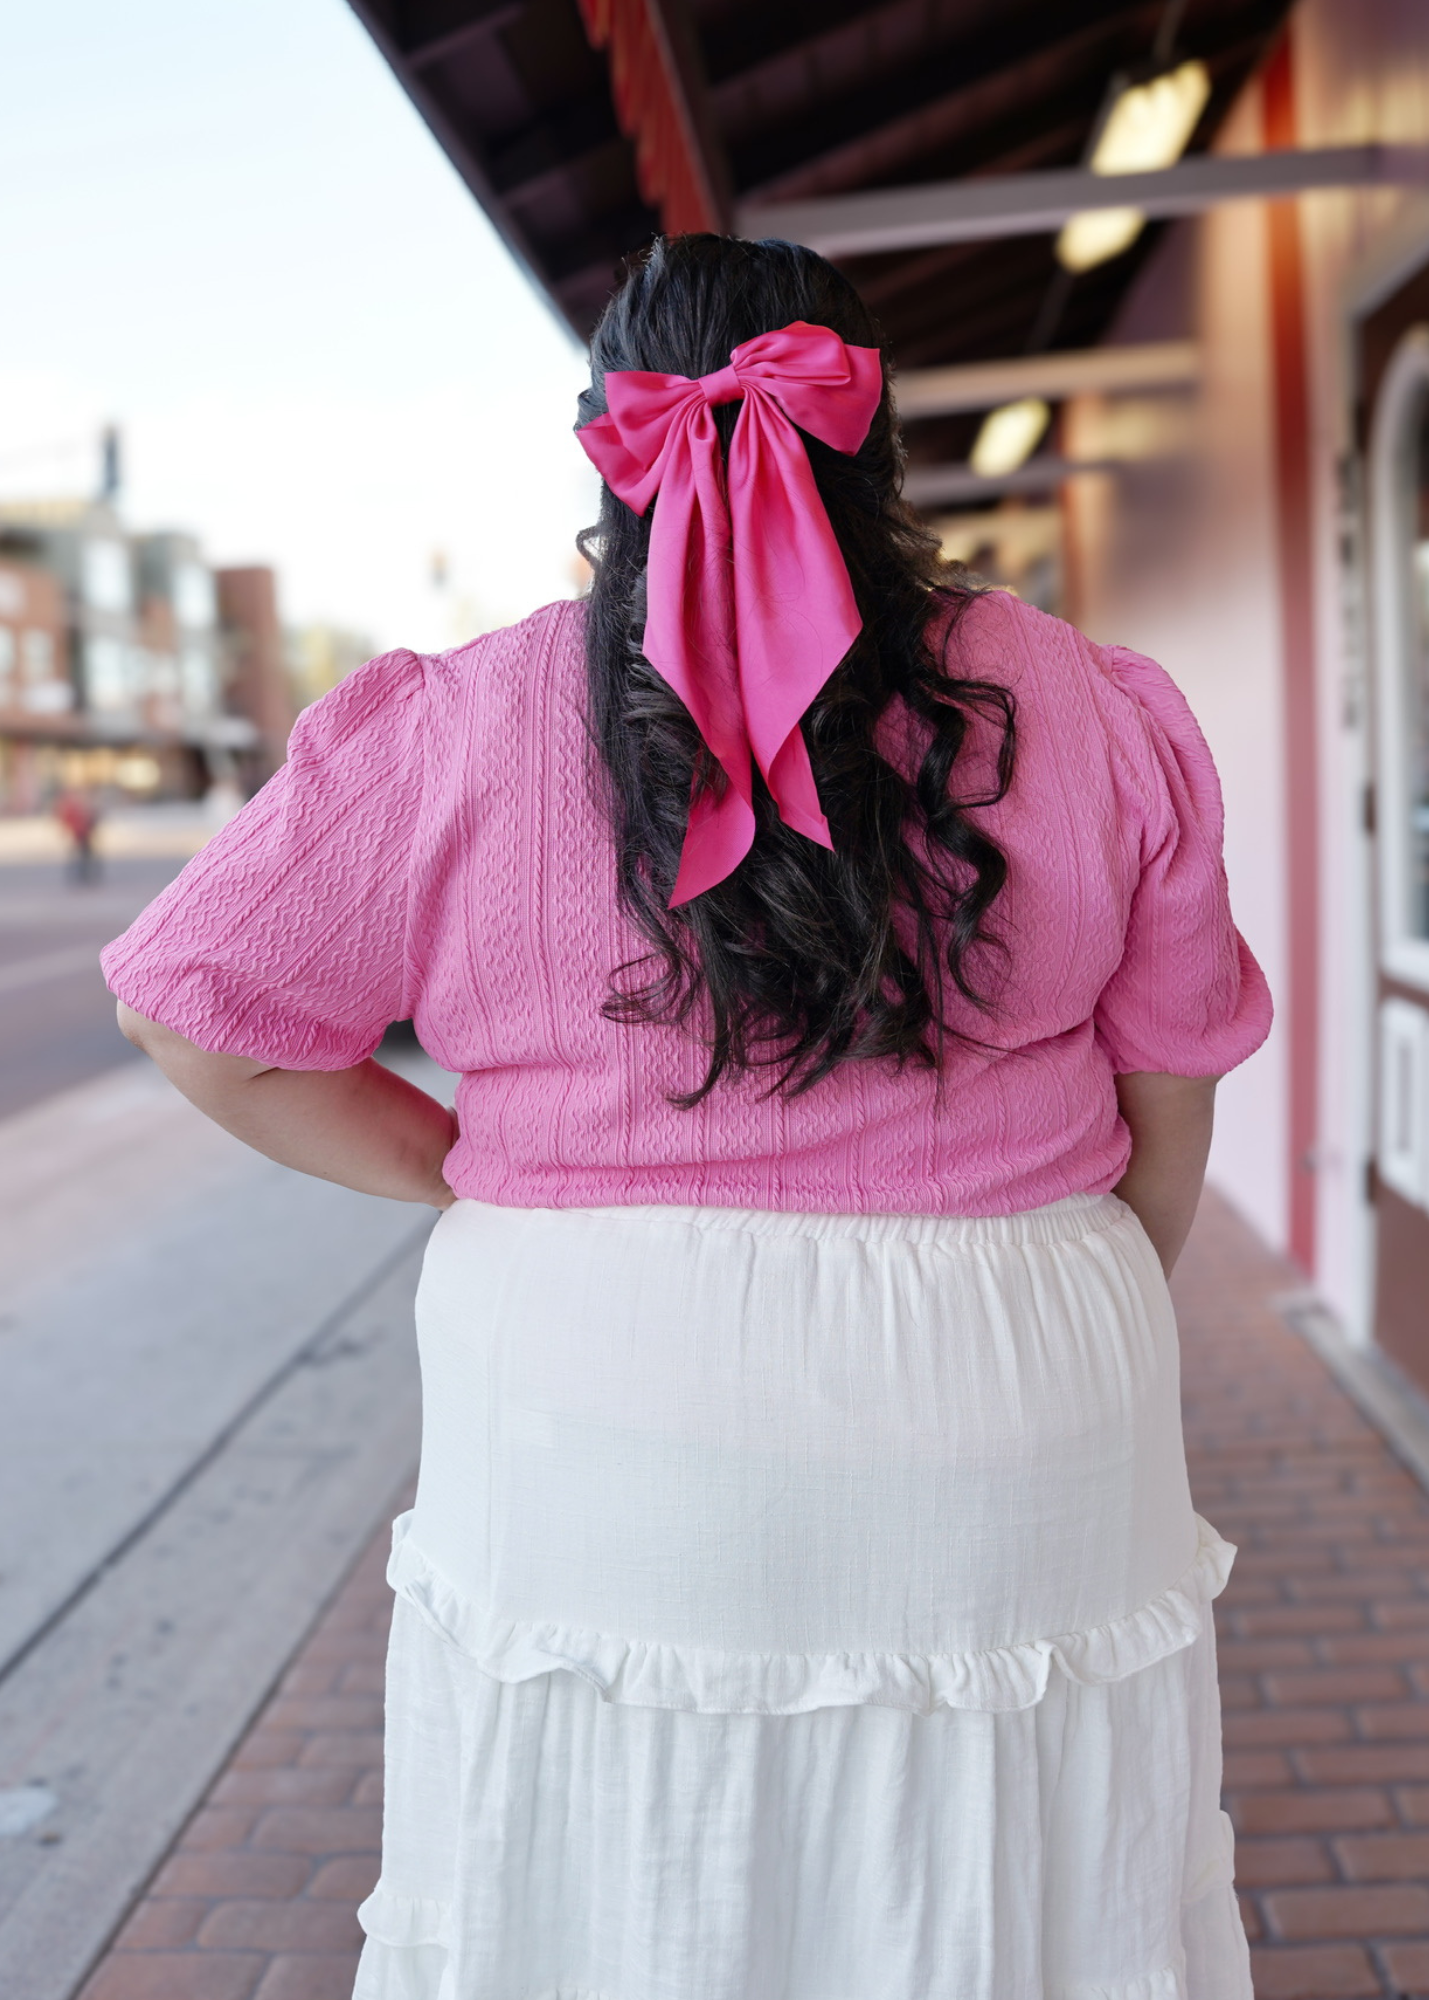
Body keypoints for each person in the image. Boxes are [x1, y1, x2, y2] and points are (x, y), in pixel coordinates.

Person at [102, 234, 1271, 1999]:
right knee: (1020, 1900)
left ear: (609, 451)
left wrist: (477, 1172)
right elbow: (1167, 1101)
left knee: (615, 1903)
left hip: (598, 1418)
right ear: (877, 447)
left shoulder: (472, 720)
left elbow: (189, 1005)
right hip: (1018, 1406)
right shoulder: (1091, 707)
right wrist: (1069, 1282)